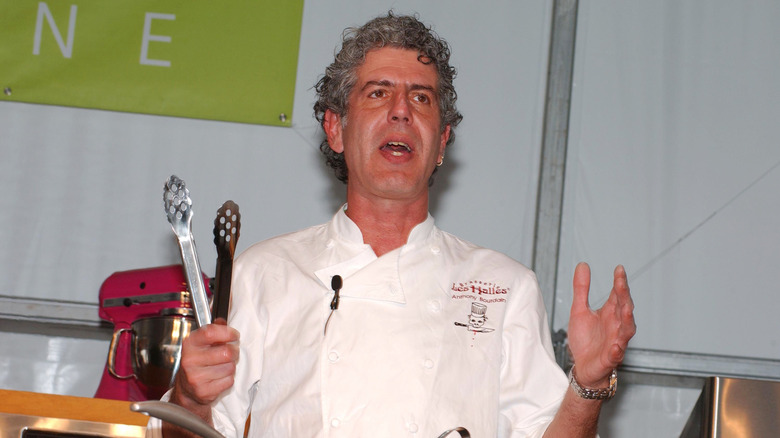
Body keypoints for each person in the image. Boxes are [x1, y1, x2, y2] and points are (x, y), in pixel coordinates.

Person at [149, 12, 635, 438]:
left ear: (441, 142)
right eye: (378, 92)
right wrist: (190, 400)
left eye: (421, 99)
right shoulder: (267, 272)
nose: (401, 110)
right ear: (335, 129)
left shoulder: (504, 287)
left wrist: (587, 385)